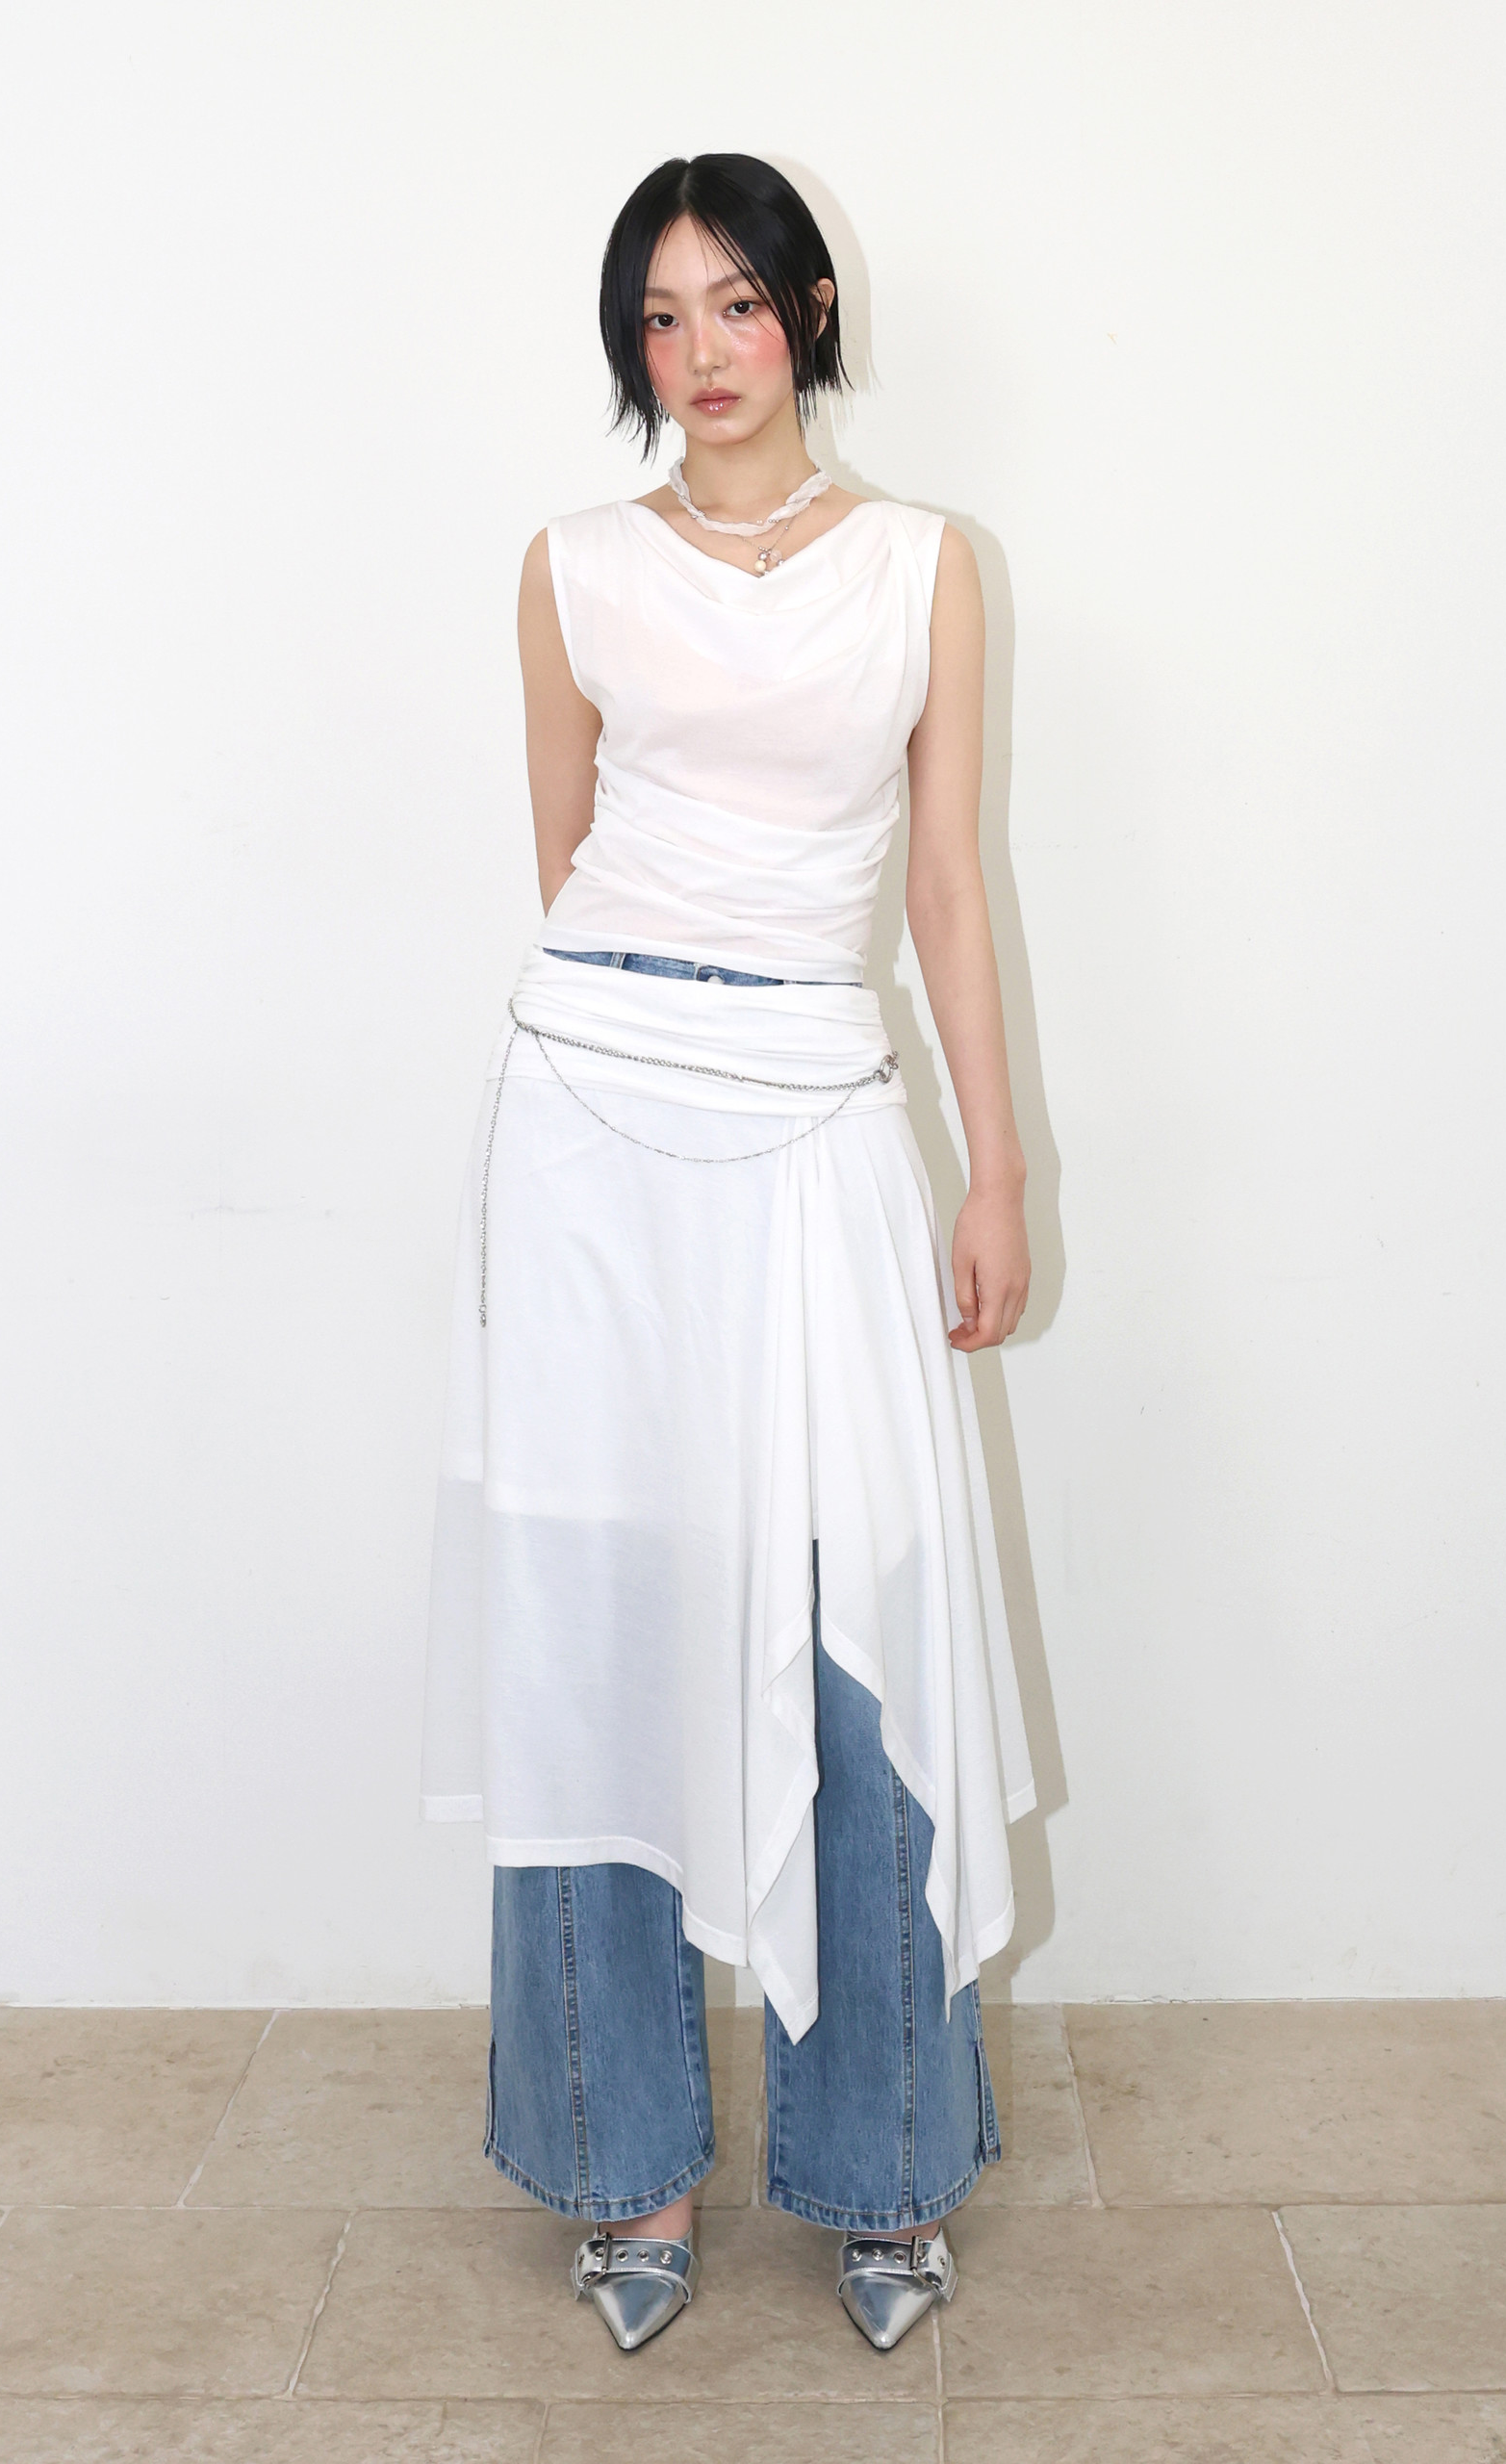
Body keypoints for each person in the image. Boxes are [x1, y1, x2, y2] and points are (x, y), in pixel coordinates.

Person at [420, 152, 1035, 2354]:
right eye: (663, 316)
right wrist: (645, 1050)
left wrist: (994, 1167)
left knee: (858, 1617)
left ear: (811, 312)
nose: (703, 351)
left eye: (739, 303)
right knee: (595, 1620)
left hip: (819, 1110)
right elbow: (571, 850)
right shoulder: (570, 566)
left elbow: (942, 887)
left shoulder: (924, 564)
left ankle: (881, 2157)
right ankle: (625, 2160)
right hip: (592, 1117)